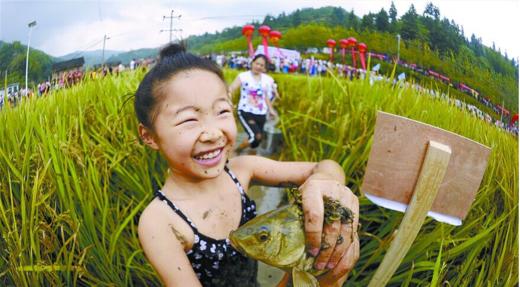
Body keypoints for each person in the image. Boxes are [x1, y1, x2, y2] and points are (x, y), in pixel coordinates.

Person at [135, 43, 360, 287]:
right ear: (149, 136)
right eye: (189, 119)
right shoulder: (160, 222)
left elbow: (326, 166)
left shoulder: (242, 170)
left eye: (222, 111)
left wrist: (324, 185)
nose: (213, 133)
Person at [228, 54, 279, 154]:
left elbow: (266, 96)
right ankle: (235, 151)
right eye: (257, 63)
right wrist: (229, 100)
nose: (258, 66)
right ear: (252, 63)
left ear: (264, 68)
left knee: (258, 140)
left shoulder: (267, 79)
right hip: (245, 111)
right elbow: (231, 89)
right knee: (256, 136)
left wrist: (271, 109)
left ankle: (243, 151)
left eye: (262, 65)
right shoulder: (243, 76)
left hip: (261, 113)